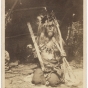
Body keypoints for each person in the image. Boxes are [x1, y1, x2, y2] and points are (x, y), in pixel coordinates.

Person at [32, 14, 66, 87]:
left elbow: (63, 59)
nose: (50, 28)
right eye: (48, 26)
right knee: (36, 81)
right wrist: (35, 53)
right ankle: (46, 78)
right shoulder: (40, 39)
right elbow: (36, 55)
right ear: (45, 27)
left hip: (54, 68)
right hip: (42, 66)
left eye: (52, 26)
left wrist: (63, 55)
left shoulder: (59, 40)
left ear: (55, 27)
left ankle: (52, 78)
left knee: (53, 83)